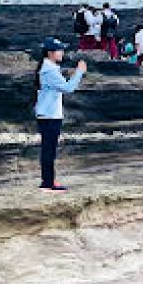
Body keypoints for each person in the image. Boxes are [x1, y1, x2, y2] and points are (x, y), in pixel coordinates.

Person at [33, 38, 87, 191]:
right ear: (50, 53)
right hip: (50, 115)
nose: (62, 52)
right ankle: (48, 183)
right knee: (49, 150)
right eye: (59, 50)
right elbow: (68, 88)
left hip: (47, 114)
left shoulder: (48, 67)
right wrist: (79, 72)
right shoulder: (49, 69)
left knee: (48, 149)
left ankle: (48, 181)